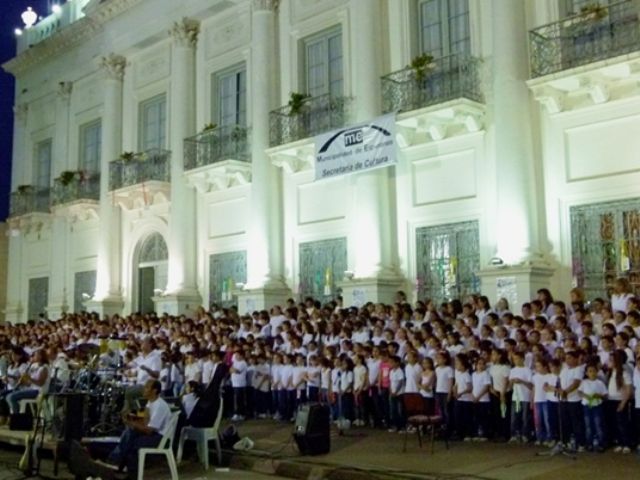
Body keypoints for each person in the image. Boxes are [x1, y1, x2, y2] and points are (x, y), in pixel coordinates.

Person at [107, 379, 172, 476]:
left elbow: (149, 430)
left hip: (161, 438)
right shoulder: (150, 403)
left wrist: (132, 423)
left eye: (147, 388)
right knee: (131, 433)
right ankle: (118, 464)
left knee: (132, 441)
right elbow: (145, 423)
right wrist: (132, 420)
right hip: (154, 433)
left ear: (154, 391)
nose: (143, 390)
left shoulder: (160, 406)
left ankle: (116, 463)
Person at [578, 363, 607, 451]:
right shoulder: (584, 382)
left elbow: (605, 395)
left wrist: (599, 396)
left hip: (597, 406)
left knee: (598, 424)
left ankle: (601, 443)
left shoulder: (600, 383)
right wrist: (585, 396)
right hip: (587, 405)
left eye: (594, 371)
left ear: (597, 372)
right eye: (590, 371)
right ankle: (589, 443)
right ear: (587, 373)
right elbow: (579, 392)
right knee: (588, 425)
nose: (592, 373)